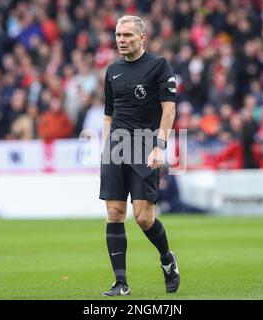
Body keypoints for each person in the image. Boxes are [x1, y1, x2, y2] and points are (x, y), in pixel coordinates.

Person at [99, 15, 180, 296]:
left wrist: (160, 146)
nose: (121, 40)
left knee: (143, 218)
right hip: (116, 147)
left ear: (142, 38)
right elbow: (108, 114)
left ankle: (167, 260)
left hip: (145, 144)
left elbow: (169, 110)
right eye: (118, 35)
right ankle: (121, 283)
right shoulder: (112, 71)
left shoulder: (159, 66)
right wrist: (106, 148)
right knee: (114, 213)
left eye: (128, 35)